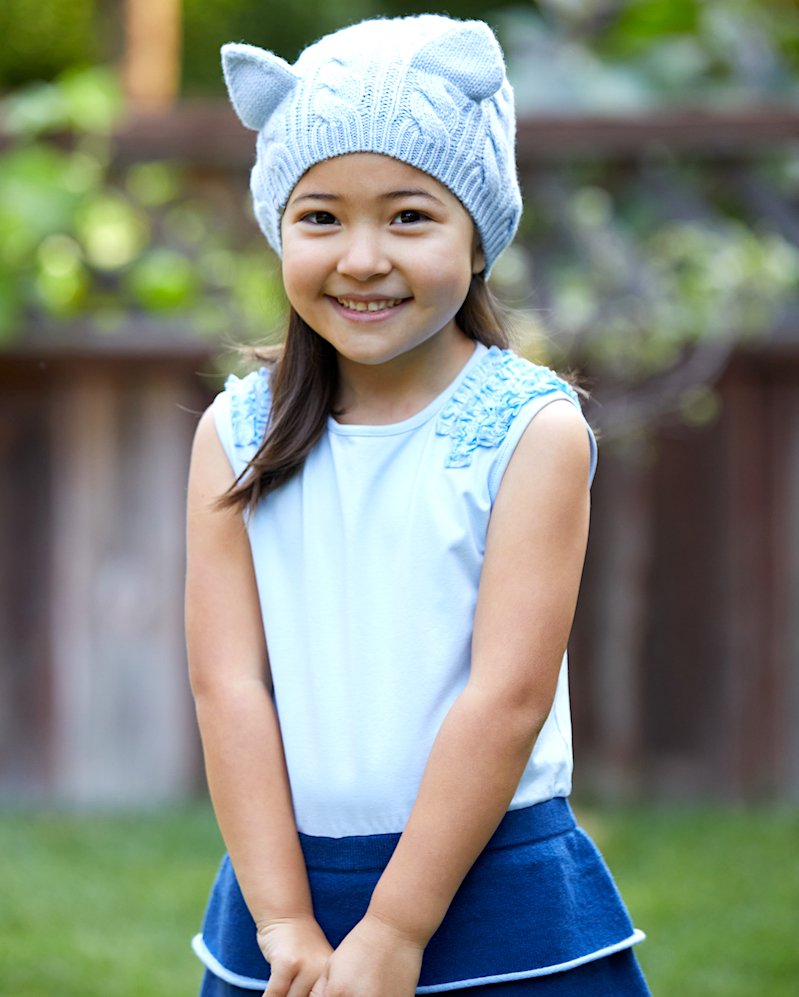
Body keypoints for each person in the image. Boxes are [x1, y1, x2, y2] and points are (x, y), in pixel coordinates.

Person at [185, 13, 650, 997]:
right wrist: (282, 919)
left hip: (491, 887)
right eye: (320, 217)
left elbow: (506, 694)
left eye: (407, 216)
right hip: (288, 891)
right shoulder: (236, 434)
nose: (360, 257)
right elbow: (228, 685)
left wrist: (397, 925)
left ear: (477, 236)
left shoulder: (532, 429)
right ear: (279, 229)